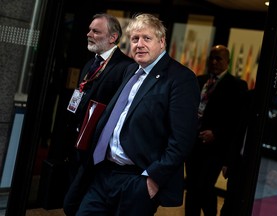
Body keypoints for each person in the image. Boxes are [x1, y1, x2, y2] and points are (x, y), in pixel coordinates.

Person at [63, 13, 200, 216]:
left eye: (147, 38)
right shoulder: (131, 71)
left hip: (136, 180)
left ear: (162, 41)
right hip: (104, 173)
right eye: (135, 39)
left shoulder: (180, 78)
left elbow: (182, 139)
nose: (139, 44)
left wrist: (152, 179)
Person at [49, 13, 134, 184]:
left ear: (113, 37)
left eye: (96, 31)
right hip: (75, 141)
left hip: (97, 147)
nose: (89, 34)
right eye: (89, 30)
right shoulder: (90, 64)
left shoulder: (126, 67)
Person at [185, 45, 248, 216]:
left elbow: (237, 121)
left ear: (228, 61)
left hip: (215, 148)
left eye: (218, 58)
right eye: (211, 58)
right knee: (191, 187)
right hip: (193, 144)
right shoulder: (199, 80)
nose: (214, 62)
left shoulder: (237, 86)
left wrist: (216, 133)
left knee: (204, 187)